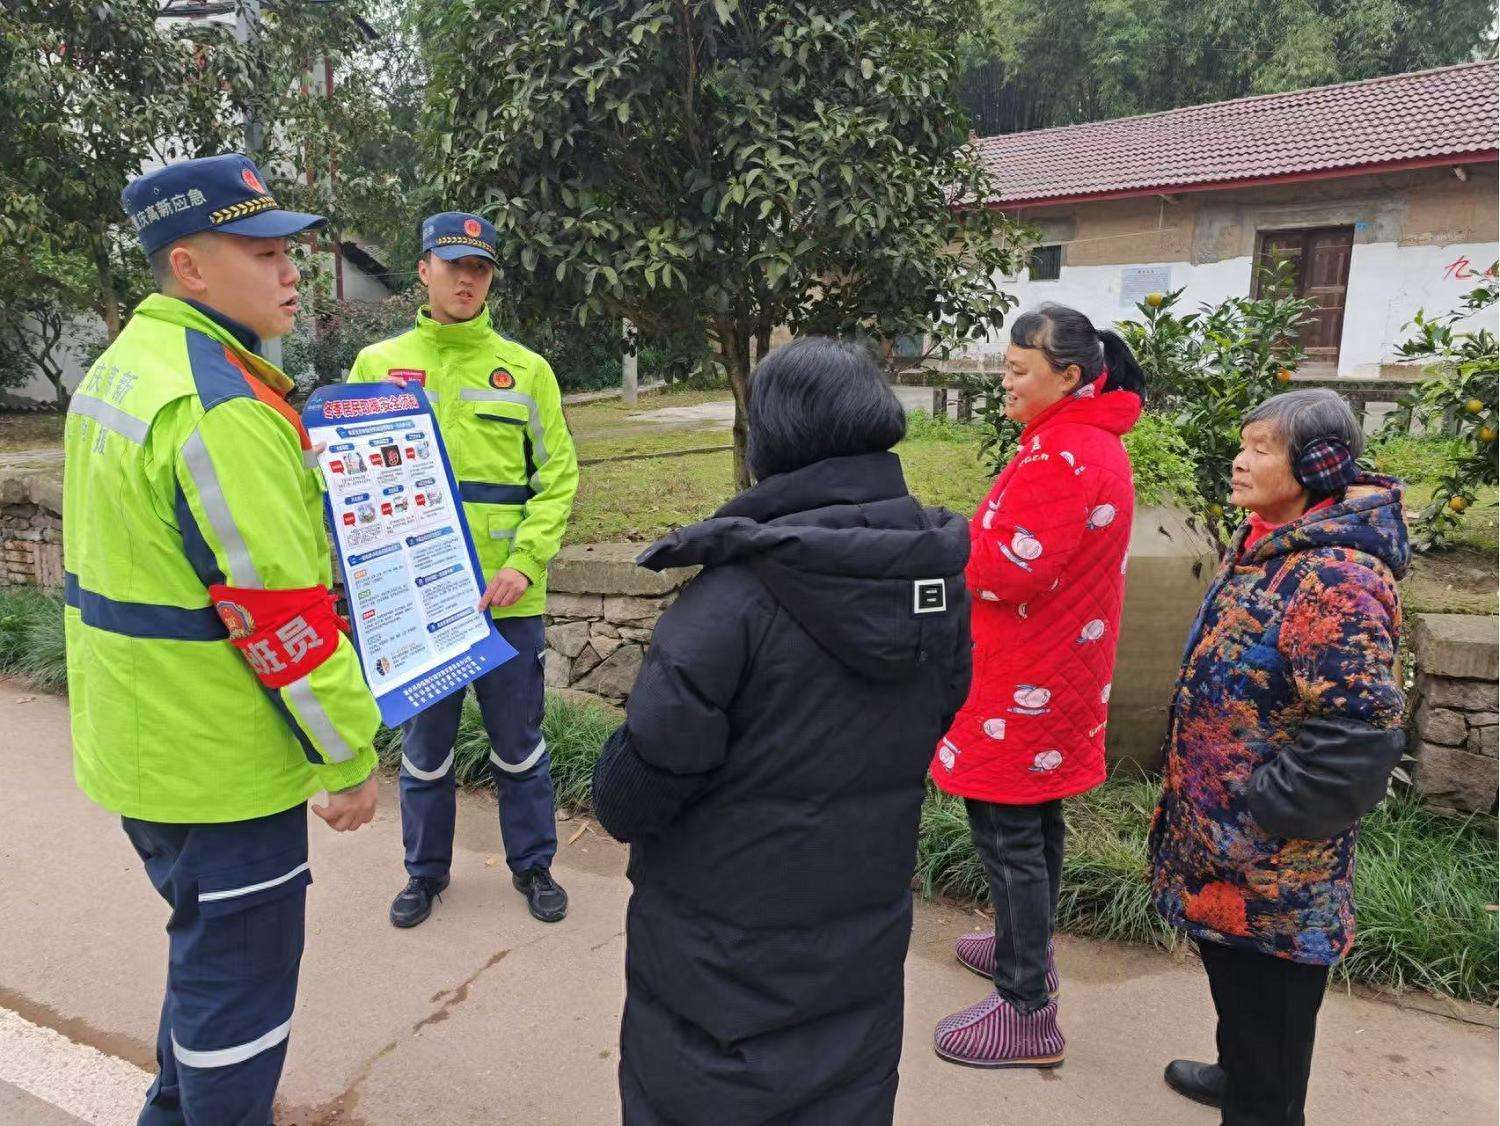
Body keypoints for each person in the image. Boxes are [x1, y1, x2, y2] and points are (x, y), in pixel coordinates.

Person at [66, 153, 382, 1124]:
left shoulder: (122, 371)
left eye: (290, 249)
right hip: (220, 766)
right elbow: (283, 623)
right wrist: (350, 756)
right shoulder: (220, 407)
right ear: (191, 269)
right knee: (238, 1000)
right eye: (261, 250)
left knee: (204, 958)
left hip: (139, 746)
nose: (291, 270)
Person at [590, 338, 972, 1124]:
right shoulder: (933, 583)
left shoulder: (730, 602)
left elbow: (631, 796)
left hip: (718, 961)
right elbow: (936, 715)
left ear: (772, 439)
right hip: (857, 941)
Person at [1150, 389, 1408, 1125]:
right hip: (1232, 846)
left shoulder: (1338, 577)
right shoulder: (1270, 543)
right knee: (1239, 986)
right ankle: (1240, 1074)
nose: (1241, 459)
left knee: (1274, 1008)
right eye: (1244, 443)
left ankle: (1261, 1102)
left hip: (1277, 861)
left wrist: (1266, 810)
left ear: (1318, 465)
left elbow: (1358, 733)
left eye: (1262, 447)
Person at [348, 212, 580, 927]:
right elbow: (347, 479)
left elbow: (560, 477)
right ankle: (424, 874)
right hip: (421, 605)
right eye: (453, 265)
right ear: (423, 270)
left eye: (479, 267)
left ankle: (534, 866)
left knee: (520, 747)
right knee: (424, 752)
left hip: (506, 601)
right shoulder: (377, 366)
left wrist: (524, 561)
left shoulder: (527, 372)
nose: (466, 279)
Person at [930, 303, 1146, 1068]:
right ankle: (1029, 949)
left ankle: (1027, 1007)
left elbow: (1008, 566)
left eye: (1020, 370)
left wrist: (948, 539)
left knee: (1007, 836)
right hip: (1055, 672)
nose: (1006, 382)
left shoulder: (1062, 455)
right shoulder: (1085, 441)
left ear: (1070, 376)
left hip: (1021, 676)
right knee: (1034, 825)